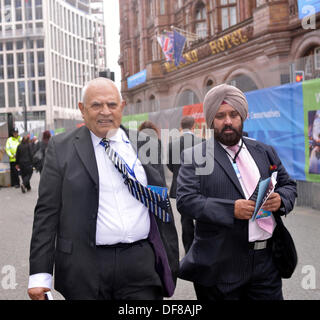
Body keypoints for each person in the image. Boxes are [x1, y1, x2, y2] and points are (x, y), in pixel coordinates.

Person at [28, 77, 179, 300]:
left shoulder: (145, 144)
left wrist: (170, 257)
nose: (105, 112)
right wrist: (39, 275)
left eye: (112, 105)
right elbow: (46, 214)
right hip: (86, 266)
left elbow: (160, 205)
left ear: (122, 107)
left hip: (141, 266)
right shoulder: (61, 149)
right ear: (82, 109)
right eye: (96, 105)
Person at [176, 84, 297, 300]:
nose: (228, 121)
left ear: (243, 116)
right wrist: (231, 209)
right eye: (221, 116)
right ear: (211, 120)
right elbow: (186, 200)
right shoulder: (195, 156)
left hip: (266, 264)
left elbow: (288, 185)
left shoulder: (264, 151)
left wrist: (281, 200)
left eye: (233, 114)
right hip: (219, 268)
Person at [167, 116, 204, 254]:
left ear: (181, 127)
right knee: (202, 218)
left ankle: (189, 251)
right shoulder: (202, 142)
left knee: (185, 220)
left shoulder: (173, 144)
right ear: (194, 126)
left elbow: (170, 165)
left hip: (181, 186)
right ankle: (202, 248)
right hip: (201, 186)